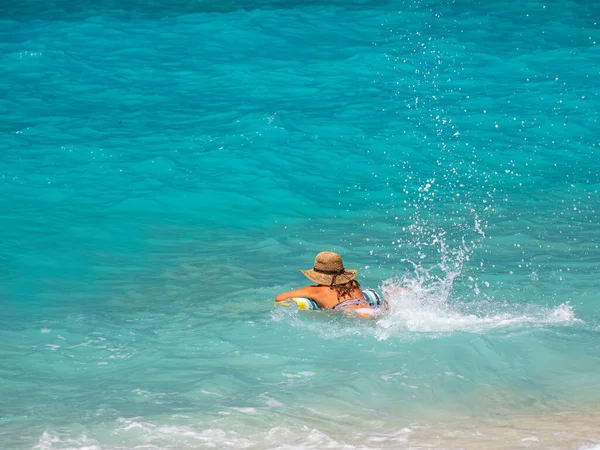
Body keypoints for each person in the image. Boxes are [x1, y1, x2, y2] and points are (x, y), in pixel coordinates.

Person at [275, 251, 371, 311]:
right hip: (370, 310)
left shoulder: (315, 290)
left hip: (347, 314)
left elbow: (280, 297)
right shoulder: (353, 284)